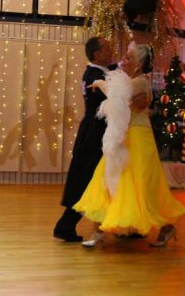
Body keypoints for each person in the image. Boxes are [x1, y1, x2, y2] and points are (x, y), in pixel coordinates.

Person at [74, 43, 185, 248]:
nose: (123, 61)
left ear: (139, 63)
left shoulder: (140, 82)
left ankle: (167, 228)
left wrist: (100, 82)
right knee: (107, 179)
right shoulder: (132, 81)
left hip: (138, 139)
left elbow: (117, 95)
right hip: (123, 137)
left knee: (142, 186)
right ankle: (98, 231)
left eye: (128, 58)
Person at [53, 37, 113, 242]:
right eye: (107, 48)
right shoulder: (94, 76)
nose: (111, 51)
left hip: (95, 131)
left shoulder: (98, 73)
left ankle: (125, 226)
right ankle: (66, 225)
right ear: (97, 53)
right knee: (87, 177)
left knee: (90, 177)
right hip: (95, 134)